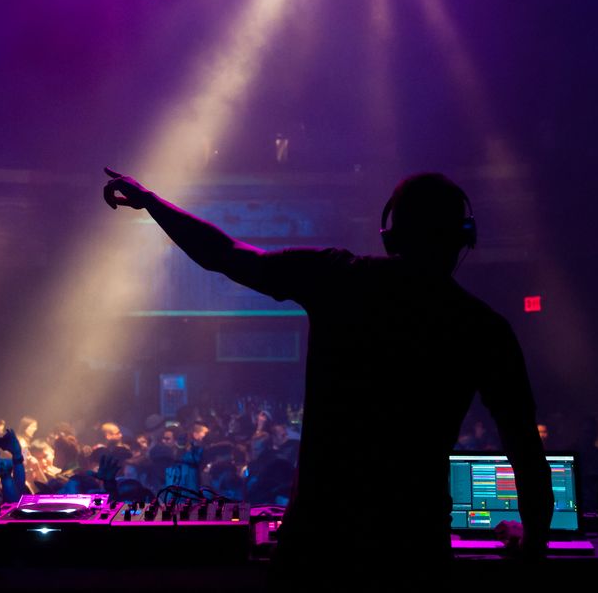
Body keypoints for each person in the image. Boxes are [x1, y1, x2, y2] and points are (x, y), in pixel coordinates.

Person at [103, 168, 552, 585]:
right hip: (412, 547)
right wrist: (533, 543)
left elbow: (225, 255)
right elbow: (524, 448)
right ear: (463, 238)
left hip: (318, 541)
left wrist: (152, 203)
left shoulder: (337, 276)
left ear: (390, 233)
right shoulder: (483, 328)